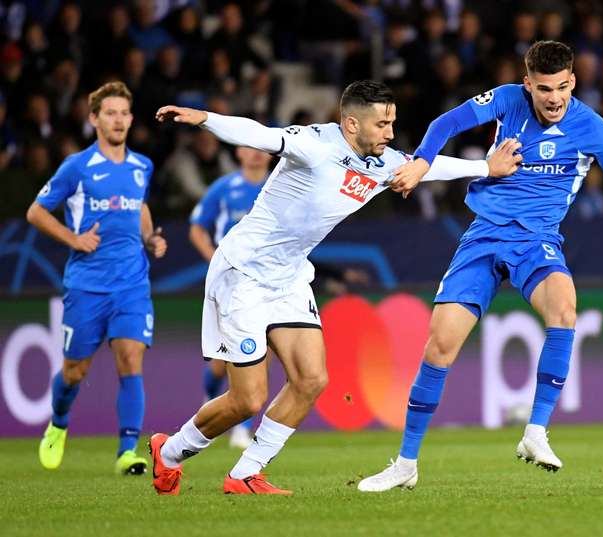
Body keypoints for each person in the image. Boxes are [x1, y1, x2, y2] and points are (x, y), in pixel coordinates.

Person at [149, 80, 522, 496]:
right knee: (248, 400)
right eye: (382, 124)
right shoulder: (316, 144)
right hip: (243, 274)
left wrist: (486, 168)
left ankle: (244, 475)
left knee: (311, 380)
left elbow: (424, 166)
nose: (390, 133)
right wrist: (206, 119)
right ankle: (170, 452)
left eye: (392, 123)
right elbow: (262, 135)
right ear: (350, 123)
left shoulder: (380, 161)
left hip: (289, 276)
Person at [357, 41, 603, 493]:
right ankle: (405, 464)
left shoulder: (597, 131)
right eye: (543, 89)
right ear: (527, 85)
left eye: (561, 87)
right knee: (439, 346)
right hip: (483, 235)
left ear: (573, 81)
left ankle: (535, 432)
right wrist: (421, 163)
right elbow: (447, 122)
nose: (553, 97)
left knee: (564, 310)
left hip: (536, 241)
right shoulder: (506, 100)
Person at [27, 81, 166, 475]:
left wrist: (149, 237)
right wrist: (73, 238)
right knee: (75, 372)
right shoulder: (77, 167)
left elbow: (139, 206)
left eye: (124, 113)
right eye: (110, 113)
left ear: (131, 119)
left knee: (130, 360)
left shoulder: (142, 166)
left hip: (132, 283)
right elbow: (36, 212)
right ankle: (57, 423)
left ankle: (127, 452)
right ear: (94, 119)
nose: (118, 120)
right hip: (87, 285)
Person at [189, 146, 272, 449]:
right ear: (239, 152)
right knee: (222, 361)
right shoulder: (224, 188)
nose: (256, 155)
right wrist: (215, 259)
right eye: (250, 149)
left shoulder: (280, 183)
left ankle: (243, 428)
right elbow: (197, 228)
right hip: (230, 282)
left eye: (262, 149)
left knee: (262, 351)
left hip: (268, 281)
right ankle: (211, 400)